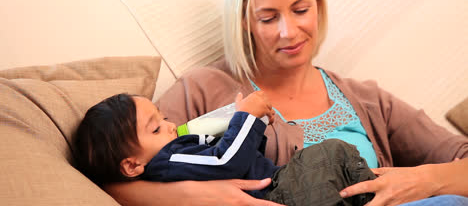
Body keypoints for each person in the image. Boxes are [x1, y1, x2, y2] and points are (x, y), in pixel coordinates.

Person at [105, 0, 468, 205]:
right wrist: (198, 194)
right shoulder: (203, 89)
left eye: (300, 9)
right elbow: (116, 181)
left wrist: (425, 180)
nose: (288, 31)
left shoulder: (366, 100)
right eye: (268, 17)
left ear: (318, 4)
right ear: (244, 20)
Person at [75, 92, 376, 206]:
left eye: (163, 118)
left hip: (280, 187)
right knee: (330, 153)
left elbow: (237, 156)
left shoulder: (178, 152)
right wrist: (245, 118)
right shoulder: (166, 161)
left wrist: (248, 129)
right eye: (155, 128)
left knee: (334, 157)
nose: (169, 126)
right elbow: (224, 163)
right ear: (131, 165)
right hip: (278, 193)